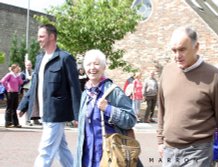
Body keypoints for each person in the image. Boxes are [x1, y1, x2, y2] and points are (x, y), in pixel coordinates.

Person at [157, 26, 218, 167]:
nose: (177, 55)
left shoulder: (214, 76)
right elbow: (162, 108)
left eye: (182, 49)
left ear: (196, 47)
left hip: (198, 152)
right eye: (174, 50)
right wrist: (160, 141)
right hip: (169, 151)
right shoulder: (167, 71)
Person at [17, 24, 81, 167]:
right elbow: (34, 84)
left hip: (56, 113)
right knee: (60, 148)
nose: (38, 39)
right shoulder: (40, 58)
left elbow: (74, 88)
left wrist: (78, 115)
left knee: (45, 150)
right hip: (44, 112)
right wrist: (23, 105)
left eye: (41, 36)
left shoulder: (65, 58)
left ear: (51, 37)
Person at [74, 49, 138, 167]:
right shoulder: (85, 94)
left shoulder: (114, 92)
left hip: (110, 156)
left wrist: (109, 109)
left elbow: (131, 119)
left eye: (96, 64)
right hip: (87, 157)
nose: (92, 68)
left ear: (103, 68)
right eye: (88, 64)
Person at [1, 64, 23, 128]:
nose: (18, 68)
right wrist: (7, 88)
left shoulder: (17, 75)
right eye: (17, 68)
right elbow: (2, 81)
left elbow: (21, 83)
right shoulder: (9, 75)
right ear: (13, 69)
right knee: (9, 108)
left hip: (16, 93)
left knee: (14, 108)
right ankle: (7, 123)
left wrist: (19, 76)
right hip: (10, 93)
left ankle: (15, 123)